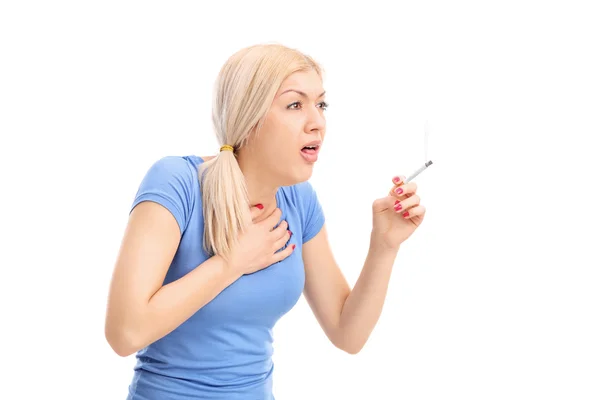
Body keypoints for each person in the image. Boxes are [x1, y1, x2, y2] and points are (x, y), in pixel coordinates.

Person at [105, 43, 426, 399]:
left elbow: (347, 333)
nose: (317, 121)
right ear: (250, 116)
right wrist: (232, 262)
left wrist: (384, 246)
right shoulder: (177, 182)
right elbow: (125, 333)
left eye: (320, 104)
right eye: (295, 104)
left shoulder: (298, 201)